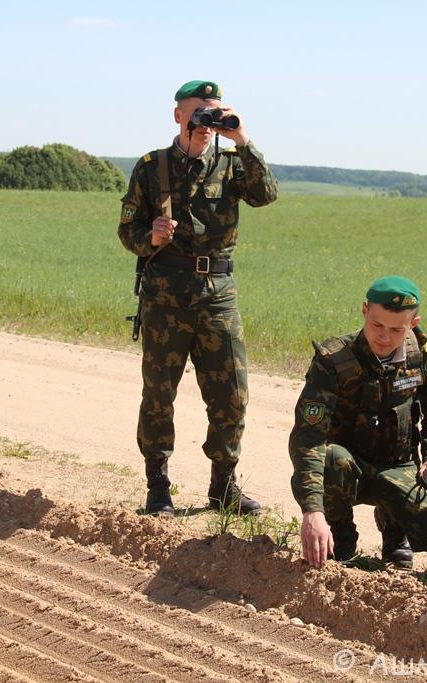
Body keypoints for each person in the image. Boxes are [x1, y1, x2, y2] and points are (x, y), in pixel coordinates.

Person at [118, 79, 278, 517]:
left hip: (218, 295)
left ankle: (222, 485)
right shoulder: (152, 168)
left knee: (231, 393)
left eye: (215, 113)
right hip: (166, 295)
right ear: (178, 116)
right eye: (200, 113)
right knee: (159, 393)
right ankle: (158, 485)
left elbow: (266, 195)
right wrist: (149, 238)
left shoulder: (230, 164)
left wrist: (241, 137)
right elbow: (126, 231)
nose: (207, 122)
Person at [288, 276, 427, 568]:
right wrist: (312, 511)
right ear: (365, 311)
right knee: (331, 458)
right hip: (346, 468)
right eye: (377, 325)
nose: (384, 337)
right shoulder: (334, 361)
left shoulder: (424, 357)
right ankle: (340, 533)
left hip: (397, 466)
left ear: (413, 323)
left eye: (396, 329)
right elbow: (308, 438)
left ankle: (395, 531)